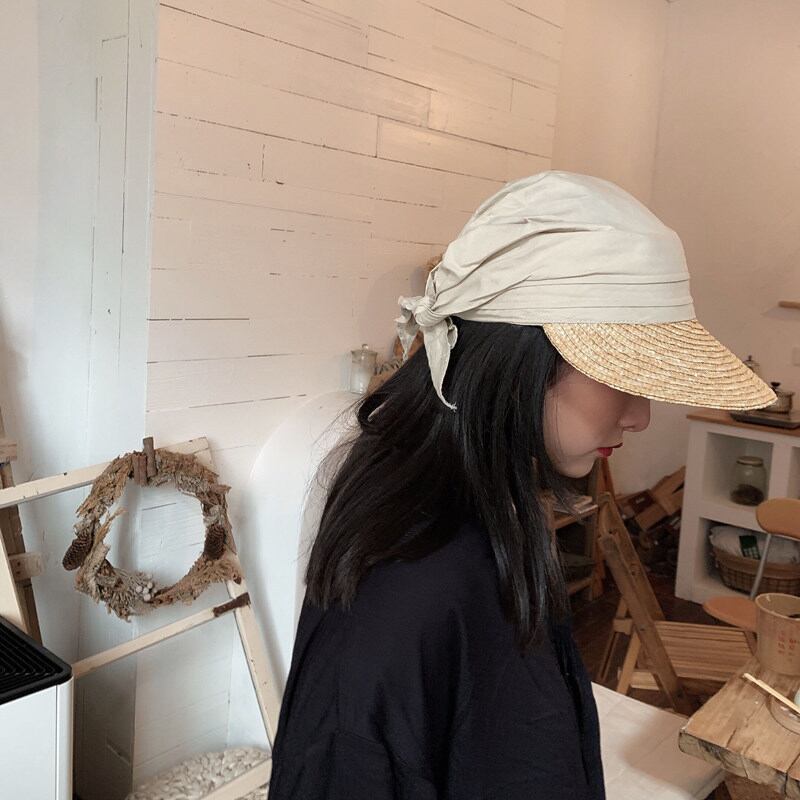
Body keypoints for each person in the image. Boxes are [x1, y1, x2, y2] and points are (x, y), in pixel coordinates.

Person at [266, 171, 776, 799]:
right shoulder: (414, 584)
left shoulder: (479, 506)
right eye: (622, 377)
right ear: (517, 359)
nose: (640, 416)